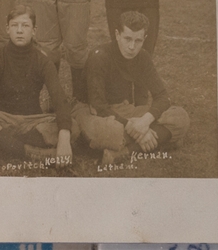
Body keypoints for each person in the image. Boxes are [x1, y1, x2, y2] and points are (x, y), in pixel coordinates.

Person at [75, 11, 190, 164]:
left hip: (124, 110)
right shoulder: (99, 56)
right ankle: (161, 138)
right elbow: (98, 106)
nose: (132, 47)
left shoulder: (143, 57)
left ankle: (124, 151)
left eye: (138, 41)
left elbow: (163, 96)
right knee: (108, 132)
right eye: (127, 39)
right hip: (93, 112)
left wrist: (144, 123)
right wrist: (133, 127)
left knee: (180, 117)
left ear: (145, 39)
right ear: (117, 34)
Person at [0, 5, 75, 162]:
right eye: (14, 25)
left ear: (34, 30)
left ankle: (4, 146)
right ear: (7, 29)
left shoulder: (43, 61)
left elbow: (59, 98)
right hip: (1, 117)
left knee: (72, 126)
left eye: (25, 25)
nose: (19, 30)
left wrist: (65, 139)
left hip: (32, 120)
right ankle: (34, 153)